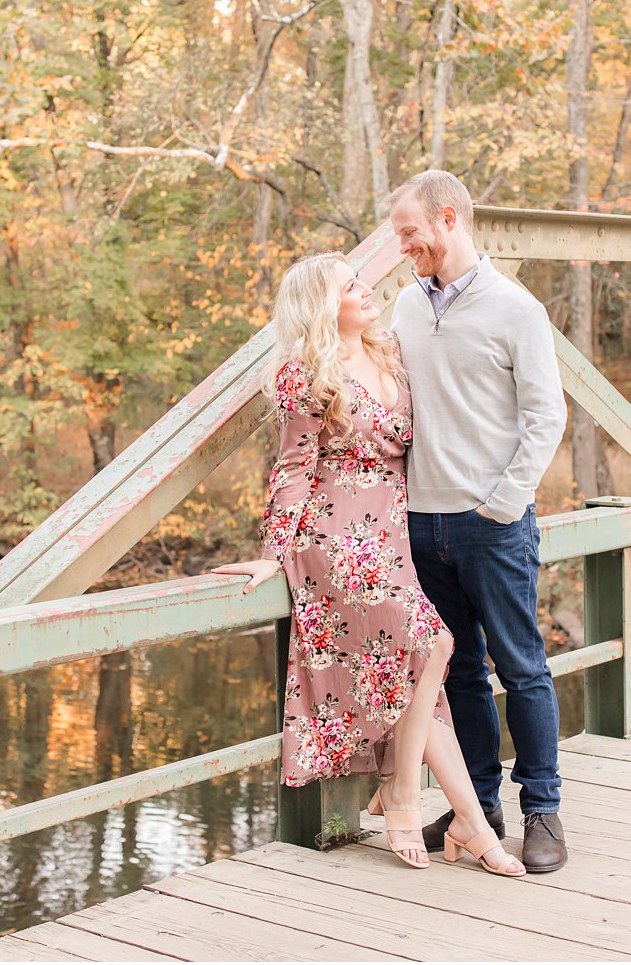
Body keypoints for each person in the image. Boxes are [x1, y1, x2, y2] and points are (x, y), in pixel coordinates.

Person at [213, 251, 525, 878]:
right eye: (348, 286)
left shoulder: (387, 355)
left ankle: (470, 823)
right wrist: (277, 553)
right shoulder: (301, 374)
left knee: (413, 674)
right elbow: (295, 464)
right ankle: (407, 800)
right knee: (433, 645)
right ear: (322, 307)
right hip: (335, 538)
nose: (365, 289)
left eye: (360, 279)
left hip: (391, 532)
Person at [387, 170, 569, 872]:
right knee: (457, 671)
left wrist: (504, 499)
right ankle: (478, 807)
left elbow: (545, 414)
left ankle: (543, 809)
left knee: (521, 666)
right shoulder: (404, 305)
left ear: (449, 218)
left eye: (411, 233)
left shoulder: (516, 309)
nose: (405, 247)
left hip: (491, 522)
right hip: (419, 523)